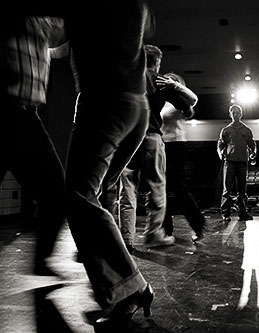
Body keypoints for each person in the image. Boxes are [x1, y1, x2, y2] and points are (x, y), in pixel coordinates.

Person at [63, 1, 157, 330]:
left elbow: (60, 33)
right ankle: (120, 288)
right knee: (97, 194)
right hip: (136, 105)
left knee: (78, 196)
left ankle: (129, 287)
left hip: (104, 101)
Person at [0, 17, 66, 276]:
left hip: (28, 116)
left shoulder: (42, 31)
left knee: (56, 195)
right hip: (3, 109)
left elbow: (60, 43)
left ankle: (42, 261)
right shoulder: (27, 23)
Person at [119, 47, 195, 250]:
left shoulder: (127, 76)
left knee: (127, 190)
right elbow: (191, 102)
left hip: (127, 139)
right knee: (157, 187)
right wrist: (175, 86)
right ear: (157, 61)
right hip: (151, 137)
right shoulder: (159, 81)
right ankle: (154, 234)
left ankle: (126, 239)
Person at [160, 72, 206, 243]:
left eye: (168, 80)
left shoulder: (180, 100)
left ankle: (198, 224)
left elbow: (193, 102)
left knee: (178, 188)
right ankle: (166, 231)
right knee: (161, 190)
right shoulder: (161, 100)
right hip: (161, 145)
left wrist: (176, 86)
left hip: (176, 146)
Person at [217, 104, 256, 222]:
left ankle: (243, 214)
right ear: (230, 114)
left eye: (237, 112)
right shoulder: (226, 130)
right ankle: (225, 214)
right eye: (233, 112)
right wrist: (220, 153)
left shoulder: (247, 130)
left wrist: (253, 152)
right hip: (229, 163)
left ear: (241, 114)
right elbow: (220, 144)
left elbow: (252, 144)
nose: (235, 114)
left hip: (243, 163)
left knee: (242, 191)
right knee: (226, 190)